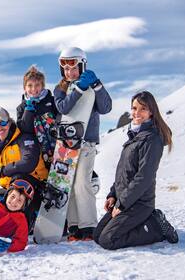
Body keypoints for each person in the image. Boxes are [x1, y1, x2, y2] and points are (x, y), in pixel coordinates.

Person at [93, 91, 178, 250]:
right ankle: (141, 223)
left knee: (107, 240)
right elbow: (123, 173)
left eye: (143, 109)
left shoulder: (152, 139)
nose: (136, 113)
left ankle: (156, 227)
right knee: (98, 235)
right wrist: (113, 195)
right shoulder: (134, 137)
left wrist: (122, 203)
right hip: (125, 200)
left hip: (139, 203)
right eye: (134, 108)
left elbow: (143, 177)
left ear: (151, 111)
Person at [54, 47, 112, 240]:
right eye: (66, 69)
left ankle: (88, 226)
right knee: (67, 185)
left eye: (74, 68)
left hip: (86, 142)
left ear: (82, 65)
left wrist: (97, 85)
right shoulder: (60, 89)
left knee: (82, 184)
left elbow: (106, 108)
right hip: (67, 144)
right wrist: (79, 89)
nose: (70, 72)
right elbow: (64, 107)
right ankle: (74, 226)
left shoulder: (92, 87)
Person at [0, 106, 49, 230]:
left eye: (2, 123)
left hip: (35, 186)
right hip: (10, 190)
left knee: (18, 181)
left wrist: (3, 171)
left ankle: (22, 224)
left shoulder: (23, 137)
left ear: (9, 122)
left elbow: (29, 162)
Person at [16, 65, 58, 168]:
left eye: (37, 85)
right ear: (24, 88)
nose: (34, 89)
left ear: (42, 86)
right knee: (47, 175)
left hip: (58, 145)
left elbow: (62, 116)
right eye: (30, 85)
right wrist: (28, 110)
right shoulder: (21, 108)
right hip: (39, 150)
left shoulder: (52, 101)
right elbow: (25, 130)